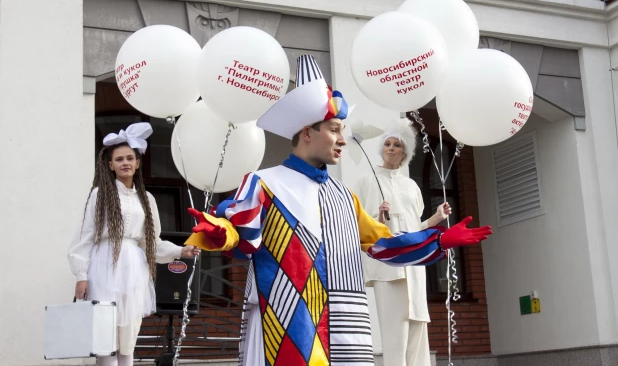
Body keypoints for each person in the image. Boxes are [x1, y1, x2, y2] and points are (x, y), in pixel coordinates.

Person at [185, 55, 492, 366]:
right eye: (334, 129)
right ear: (307, 132)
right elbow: (240, 235)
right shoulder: (264, 183)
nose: (343, 139)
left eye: (342, 129)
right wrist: (218, 232)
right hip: (286, 322)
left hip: (346, 329)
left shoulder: (345, 197)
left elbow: (383, 245)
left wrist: (437, 241)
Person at [67, 122, 200, 366]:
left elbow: (150, 242)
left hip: (134, 271)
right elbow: (84, 237)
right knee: (105, 337)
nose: (125, 162)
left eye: (130, 158)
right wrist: (81, 275)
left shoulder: (146, 199)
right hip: (105, 268)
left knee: (128, 337)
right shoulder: (100, 195)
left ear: (138, 162)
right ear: (110, 165)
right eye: (119, 159)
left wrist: (181, 250)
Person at [354, 119, 451, 366]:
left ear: (404, 152)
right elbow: (357, 224)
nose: (391, 148)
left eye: (397, 145)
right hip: (390, 267)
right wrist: (379, 217)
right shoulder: (367, 182)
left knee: (418, 325)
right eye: (387, 143)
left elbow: (415, 229)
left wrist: (437, 218)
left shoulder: (411, 186)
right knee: (394, 333)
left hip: (414, 266)